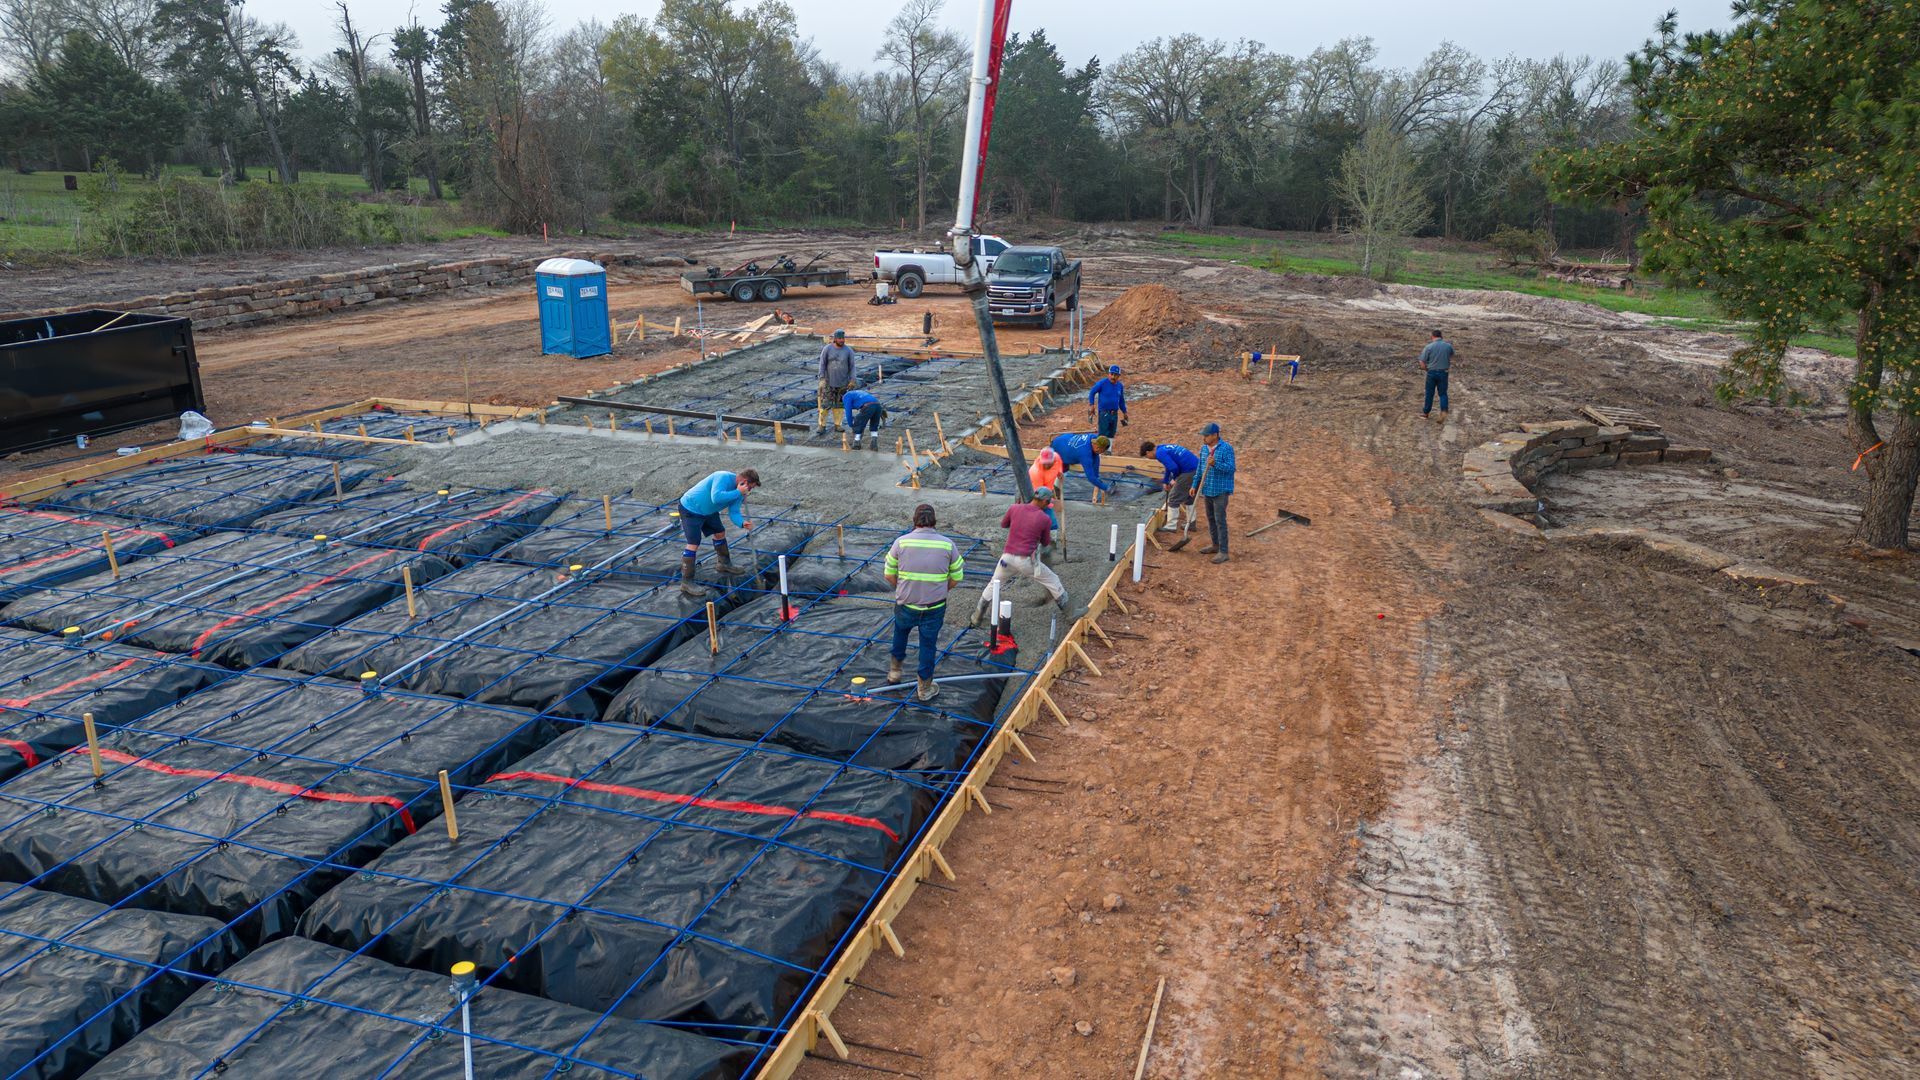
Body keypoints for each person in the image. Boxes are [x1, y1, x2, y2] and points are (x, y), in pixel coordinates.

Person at [883, 504, 965, 702]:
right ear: (934, 521)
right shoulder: (947, 545)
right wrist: (942, 590)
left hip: (906, 604)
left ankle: (895, 671)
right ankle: (924, 689)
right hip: (934, 607)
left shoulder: (900, 543)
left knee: (900, 634)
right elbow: (957, 577)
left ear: (915, 520)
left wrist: (903, 589)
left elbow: (888, 574)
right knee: (928, 646)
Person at [973, 487, 1068, 625]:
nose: (1048, 506)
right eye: (1048, 503)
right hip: (1025, 560)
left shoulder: (1014, 508)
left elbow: (1004, 524)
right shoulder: (1044, 518)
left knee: (994, 584)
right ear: (1045, 501)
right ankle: (1069, 612)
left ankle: (977, 616)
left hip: (1006, 558)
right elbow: (1046, 542)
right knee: (1053, 580)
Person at [676, 468, 761, 597]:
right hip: (691, 509)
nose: (749, 491)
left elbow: (734, 511)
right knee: (694, 543)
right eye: (750, 487)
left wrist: (742, 523)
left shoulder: (740, 492)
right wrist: (737, 491)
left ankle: (723, 563)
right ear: (744, 481)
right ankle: (686, 582)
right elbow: (716, 497)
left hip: (708, 511)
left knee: (720, 532)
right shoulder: (722, 477)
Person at [1196, 422, 1235, 564]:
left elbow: (1231, 468)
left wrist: (1215, 464)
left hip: (1221, 490)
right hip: (1208, 489)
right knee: (1211, 519)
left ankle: (1223, 551)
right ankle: (1215, 545)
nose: (1204, 438)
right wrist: (1195, 485)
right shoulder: (1204, 449)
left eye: (1206, 435)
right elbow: (1200, 469)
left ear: (1215, 435)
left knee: (1220, 520)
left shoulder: (1226, 448)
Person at [1140, 439, 1199, 533]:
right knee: (1189, 497)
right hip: (1196, 468)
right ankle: (1191, 523)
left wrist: (1174, 479)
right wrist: (1166, 481)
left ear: (1148, 452)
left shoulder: (1159, 454)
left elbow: (1173, 467)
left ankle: (1171, 526)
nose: (1148, 458)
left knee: (1173, 499)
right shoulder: (1162, 448)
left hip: (1189, 471)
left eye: (1147, 456)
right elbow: (1168, 466)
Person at [1048, 431, 1111, 496]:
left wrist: (1097, 476)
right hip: (1058, 447)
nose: (1101, 453)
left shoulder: (1093, 438)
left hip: (1066, 439)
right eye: (1102, 451)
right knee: (1061, 470)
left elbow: (1096, 457)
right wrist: (1106, 488)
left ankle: (1055, 488)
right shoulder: (1085, 454)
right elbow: (1090, 477)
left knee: (1064, 468)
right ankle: (1052, 490)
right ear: (1098, 448)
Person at [818, 329, 858, 432]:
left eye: (843, 338)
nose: (842, 340)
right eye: (840, 338)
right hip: (828, 383)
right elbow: (822, 364)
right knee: (825, 406)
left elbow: (852, 367)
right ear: (835, 339)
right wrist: (822, 378)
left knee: (839, 406)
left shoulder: (848, 351)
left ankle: (837, 424)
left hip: (842, 384)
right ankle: (822, 425)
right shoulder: (827, 349)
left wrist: (852, 380)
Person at [1419, 328, 1453, 422]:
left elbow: (1422, 361)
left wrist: (1426, 369)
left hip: (1431, 372)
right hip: (1444, 372)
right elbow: (1451, 354)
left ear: (1432, 336)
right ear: (1441, 336)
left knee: (1429, 393)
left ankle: (1426, 413)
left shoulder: (1428, 347)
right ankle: (1443, 411)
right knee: (1443, 393)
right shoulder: (1448, 346)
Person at [1087, 365, 1129, 439]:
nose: (1113, 377)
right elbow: (1092, 392)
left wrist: (1124, 412)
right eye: (1111, 374)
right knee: (1103, 434)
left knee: (1112, 433)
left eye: (1115, 375)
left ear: (1119, 376)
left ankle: (1108, 450)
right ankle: (1100, 450)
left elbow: (1121, 400)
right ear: (1108, 374)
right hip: (1104, 413)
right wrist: (1092, 405)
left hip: (1114, 414)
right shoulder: (1102, 383)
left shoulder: (1120, 386)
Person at [1029, 448, 1065, 528]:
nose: (1046, 465)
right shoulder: (1036, 472)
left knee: (1052, 525)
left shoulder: (1057, 457)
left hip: (1047, 492)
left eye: (1049, 463)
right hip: (1035, 497)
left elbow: (1058, 467)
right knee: (1041, 522)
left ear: (1053, 460)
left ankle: (1050, 539)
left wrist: (1059, 473)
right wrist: (1054, 503)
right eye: (1044, 463)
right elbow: (1040, 496)